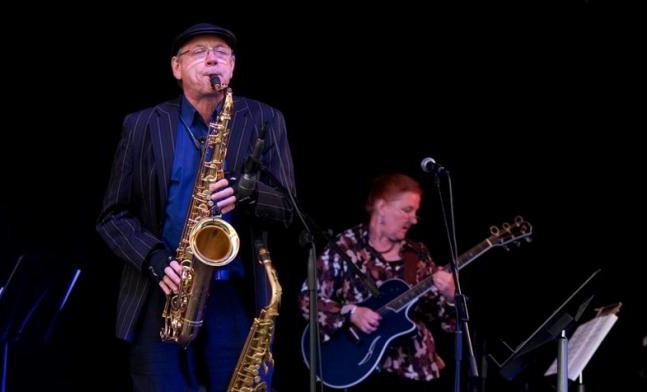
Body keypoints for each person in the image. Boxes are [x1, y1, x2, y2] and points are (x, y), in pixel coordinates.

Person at [97, 22, 295, 392]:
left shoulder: (265, 120)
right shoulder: (141, 125)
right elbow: (113, 217)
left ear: (232, 67)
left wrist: (246, 192)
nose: (211, 60)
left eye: (220, 53)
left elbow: (286, 207)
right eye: (199, 52)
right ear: (176, 67)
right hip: (162, 288)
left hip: (233, 294)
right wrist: (154, 259)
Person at [299, 173, 456, 391]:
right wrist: (351, 312)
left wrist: (450, 296)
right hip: (357, 368)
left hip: (412, 369)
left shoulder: (417, 254)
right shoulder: (346, 246)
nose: (414, 219)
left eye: (416, 212)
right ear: (381, 207)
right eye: (407, 210)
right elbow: (308, 299)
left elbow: (447, 322)